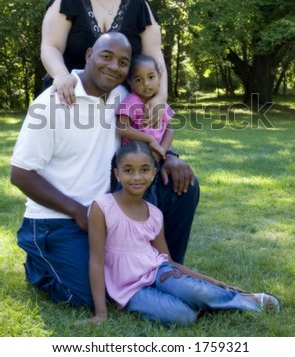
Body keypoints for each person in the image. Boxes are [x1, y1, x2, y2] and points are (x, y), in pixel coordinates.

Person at [10, 32, 198, 309]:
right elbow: (21, 174)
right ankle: (38, 264)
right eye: (106, 57)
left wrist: (170, 155)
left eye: (123, 62)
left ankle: (166, 269)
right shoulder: (50, 104)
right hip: (57, 219)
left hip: (107, 212)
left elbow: (150, 129)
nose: (114, 66)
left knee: (182, 186)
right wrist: (77, 211)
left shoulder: (121, 96)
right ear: (89, 56)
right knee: (88, 296)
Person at [85, 141, 280, 326]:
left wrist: (211, 281)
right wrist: (100, 312)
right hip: (130, 289)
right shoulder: (102, 207)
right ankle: (204, 304)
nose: (137, 177)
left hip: (158, 271)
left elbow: (167, 261)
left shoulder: (154, 214)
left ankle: (247, 300)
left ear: (154, 173)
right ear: (117, 174)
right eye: (128, 170)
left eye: (144, 170)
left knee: (199, 290)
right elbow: (96, 261)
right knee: (183, 316)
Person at [41, 0, 166, 129]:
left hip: (123, 108)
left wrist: (160, 96)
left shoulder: (141, 6)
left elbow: (155, 57)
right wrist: (61, 75)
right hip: (69, 98)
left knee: (164, 159)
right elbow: (50, 46)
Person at [116, 54, 174, 160]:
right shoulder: (131, 101)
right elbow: (122, 128)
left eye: (151, 77)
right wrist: (150, 139)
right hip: (134, 157)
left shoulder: (160, 103)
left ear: (159, 77)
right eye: (138, 80)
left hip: (155, 156)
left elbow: (170, 130)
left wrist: (162, 151)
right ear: (131, 83)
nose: (146, 83)